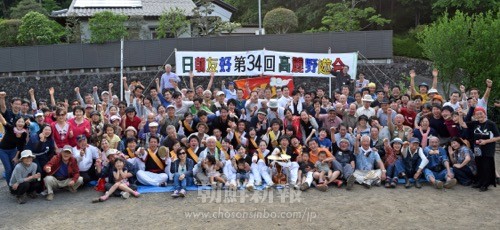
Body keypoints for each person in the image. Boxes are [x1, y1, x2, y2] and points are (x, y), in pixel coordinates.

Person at [460, 106, 499, 191]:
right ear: (475, 116)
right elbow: (463, 124)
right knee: (479, 165)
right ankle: (479, 182)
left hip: (488, 148)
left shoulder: (491, 124)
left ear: (484, 114)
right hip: (477, 148)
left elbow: (498, 137)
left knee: (486, 166)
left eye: (481, 113)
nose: (479, 116)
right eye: (477, 114)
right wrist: (460, 116)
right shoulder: (475, 123)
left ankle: (485, 184)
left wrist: (486, 141)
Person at [0, 113, 29, 186]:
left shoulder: (24, 133)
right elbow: (3, 121)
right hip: (3, 150)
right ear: (15, 123)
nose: (20, 123)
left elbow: (20, 146)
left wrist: (16, 157)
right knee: (8, 169)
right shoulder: (11, 128)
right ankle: (10, 185)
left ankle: (14, 184)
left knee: (14, 168)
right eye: (19, 121)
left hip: (13, 150)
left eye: (22, 122)